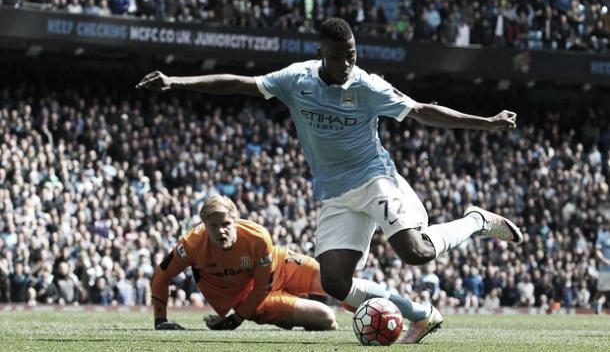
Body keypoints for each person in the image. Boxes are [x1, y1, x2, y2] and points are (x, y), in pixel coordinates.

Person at [137, 17, 523, 343]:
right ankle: (420, 315)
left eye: (352, 56)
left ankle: (475, 220)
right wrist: (175, 81)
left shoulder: (367, 86)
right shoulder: (296, 79)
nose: (346, 65)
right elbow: (240, 83)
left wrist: (485, 123)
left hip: (374, 178)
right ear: (323, 53)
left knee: (416, 252)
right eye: (338, 58)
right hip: (336, 194)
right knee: (336, 282)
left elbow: (422, 110)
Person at [150, 195, 337, 331]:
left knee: (338, 281)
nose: (220, 231)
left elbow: (264, 284)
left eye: (225, 224)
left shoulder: (257, 237)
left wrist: (235, 320)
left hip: (280, 266)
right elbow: (161, 274)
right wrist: (160, 320)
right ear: (205, 226)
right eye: (213, 226)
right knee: (327, 318)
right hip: (252, 298)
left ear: (236, 221)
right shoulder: (192, 244)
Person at [593, 226, 610, 314]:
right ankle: (597, 306)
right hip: (605, 269)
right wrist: (604, 260)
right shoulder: (602, 236)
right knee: (602, 290)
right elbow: (597, 250)